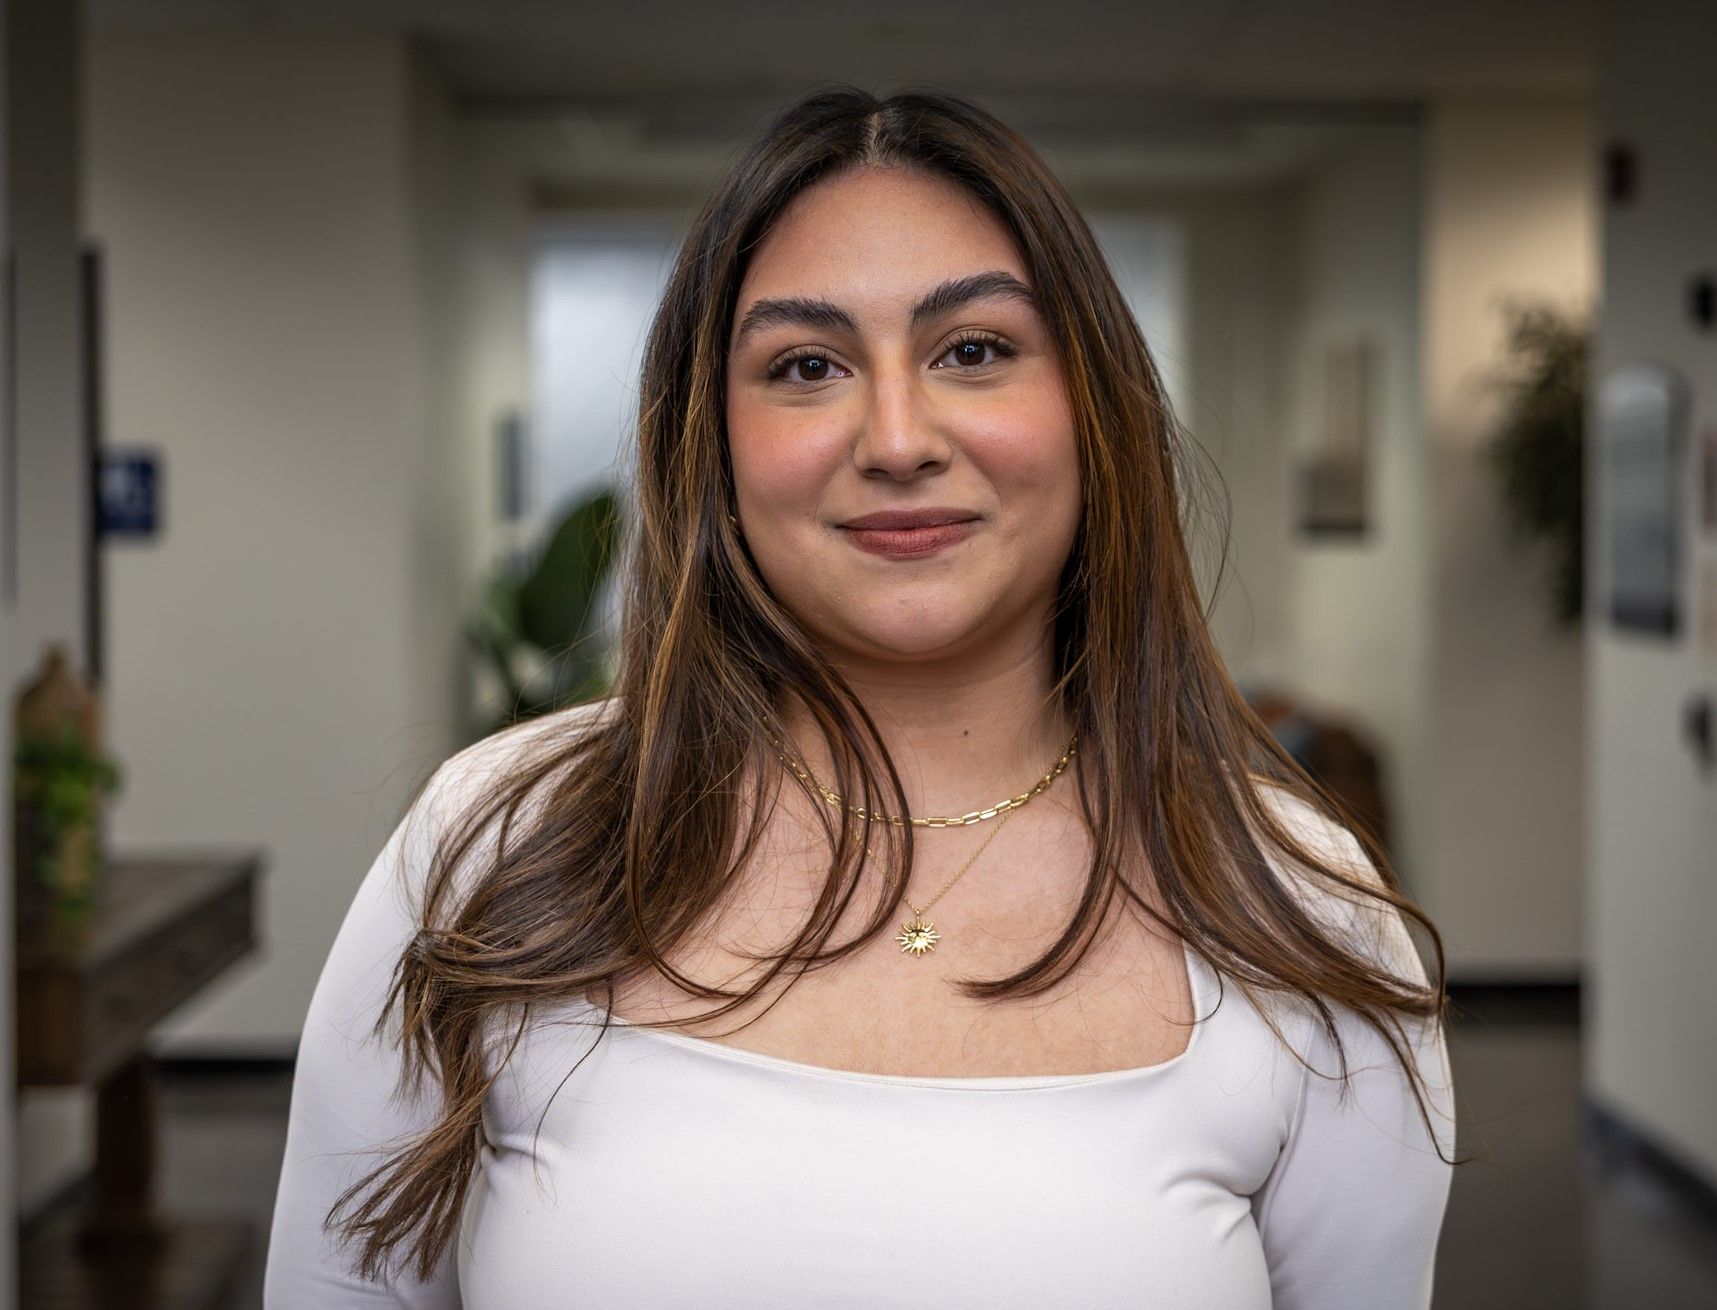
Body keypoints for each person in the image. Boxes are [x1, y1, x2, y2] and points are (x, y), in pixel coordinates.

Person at [264, 86, 1457, 1309]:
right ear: (710, 441)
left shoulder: (1301, 904)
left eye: (974, 350)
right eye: (806, 365)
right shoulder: (498, 839)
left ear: (1094, 407)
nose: (896, 438)